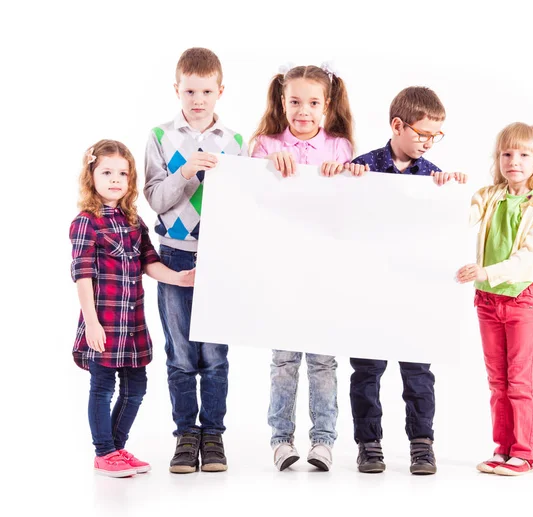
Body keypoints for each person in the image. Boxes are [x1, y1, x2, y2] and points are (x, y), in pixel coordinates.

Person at [346, 86, 467, 475]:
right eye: (422, 134)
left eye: (436, 136)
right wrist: (346, 180)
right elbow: (338, 223)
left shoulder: (434, 179)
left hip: (415, 294)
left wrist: (454, 191)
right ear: (397, 125)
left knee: (418, 372)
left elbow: (444, 230)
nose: (429, 143)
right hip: (367, 291)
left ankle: (421, 442)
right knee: (366, 370)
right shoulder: (361, 168)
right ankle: (369, 443)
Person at [144, 47, 247, 474]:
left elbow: (245, 205)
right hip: (175, 254)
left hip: (220, 257)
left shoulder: (236, 142)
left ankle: (214, 434)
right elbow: (153, 198)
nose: (198, 99)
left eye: (206, 90)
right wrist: (184, 173)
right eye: (190, 90)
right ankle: (186, 434)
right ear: (177, 89)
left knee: (216, 354)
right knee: (181, 353)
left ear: (220, 91)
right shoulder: (160, 136)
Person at [70, 139, 195, 477]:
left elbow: (149, 262)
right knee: (102, 388)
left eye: (122, 173)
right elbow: (82, 276)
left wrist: (180, 278)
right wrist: (92, 323)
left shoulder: (133, 221)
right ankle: (103, 452)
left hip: (133, 324)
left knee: (136, 387)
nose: (115, 179)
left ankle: (116, 447)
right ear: (91, 176)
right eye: (106, 172)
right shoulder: (86, 222)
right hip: (104, 322)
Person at [251, 63, 353, 471]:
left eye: (313, 103)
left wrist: (344, 173)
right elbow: (248, 195)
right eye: (295, 101)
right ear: (281, 100)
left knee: (324, 360)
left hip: (324, 270)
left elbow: (351, 204)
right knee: (284, 359)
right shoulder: (264, 144)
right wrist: (266, 164)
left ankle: (323, 441)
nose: (303, 111)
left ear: (326, 105)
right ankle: (280, 439)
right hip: (281, 269)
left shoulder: (340, 147)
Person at [456, 122, 533, 476]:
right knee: (497, 382)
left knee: (520, 382)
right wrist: (449, 187)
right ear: (498, 159)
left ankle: (524, 453)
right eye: (507, 154)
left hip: (520, 299)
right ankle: (503, 449)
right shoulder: (489, 196)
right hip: (486, 301)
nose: (514, 161)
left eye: (524, 154)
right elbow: (460, 216)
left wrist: (485, 272)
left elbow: (527, 258)